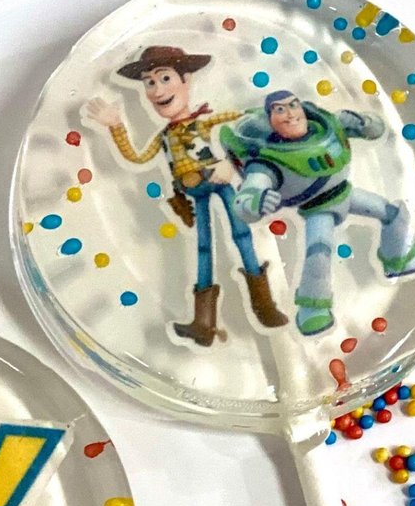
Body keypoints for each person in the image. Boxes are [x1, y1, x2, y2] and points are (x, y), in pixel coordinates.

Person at [86, 45, 284, 346]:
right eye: (149, 82)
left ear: (186, 80)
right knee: (203, 246)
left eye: (165, 78)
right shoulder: (164, 136)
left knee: (241, 233)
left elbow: (243, 121)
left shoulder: (203, 121)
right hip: (192, 190)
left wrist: (230, 162)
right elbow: (137, 158)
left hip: (218, 180)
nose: (157, 90)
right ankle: (203, 323)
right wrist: (116, 126)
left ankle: (264, 306)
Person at [223, 89, 415, 336]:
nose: (290, 114)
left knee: (393, 213)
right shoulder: (266, 160)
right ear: (270, 119)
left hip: (344, 193)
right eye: (280, 110)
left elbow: (375, 128)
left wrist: (363, 124)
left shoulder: (328, 127)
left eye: (293, 105)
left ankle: (399, 256)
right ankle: (312, 309)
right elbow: (247, 197)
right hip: (318, 209)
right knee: (319, 253)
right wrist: (255, 202)